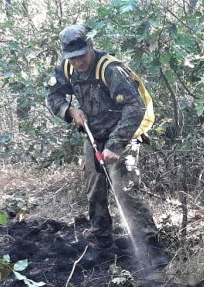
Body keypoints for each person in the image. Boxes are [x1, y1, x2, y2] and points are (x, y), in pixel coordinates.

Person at [45, 24, 166, 267]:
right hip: (93, 135)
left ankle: (152, 247)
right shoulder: (67, 68)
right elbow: (51, 95)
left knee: (124, 190)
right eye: (72, 58)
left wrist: (115, 145)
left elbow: (135, 108)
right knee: (95, 190)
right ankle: (103, 244)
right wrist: (69, 110)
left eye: (81, 55)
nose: (78, 62)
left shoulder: (110, 69)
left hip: (124, 135)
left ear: (90, 46)